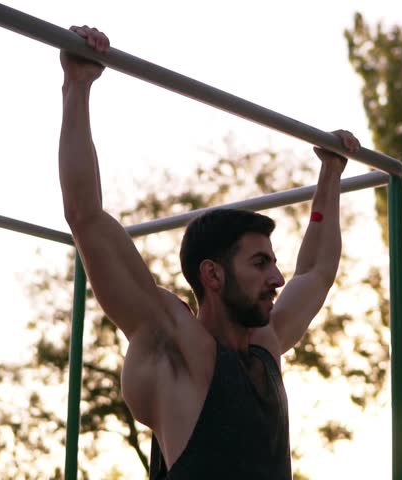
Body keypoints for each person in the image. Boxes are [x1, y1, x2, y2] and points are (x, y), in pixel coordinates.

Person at [59, 25, 361, 480]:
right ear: (213, 276)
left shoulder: (265, 345)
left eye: (273, 263)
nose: (277, 278)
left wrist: (331, 175)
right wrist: (77, 87)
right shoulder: (174, 345)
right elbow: (86, 216)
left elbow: (316, 271)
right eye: (260, 264)